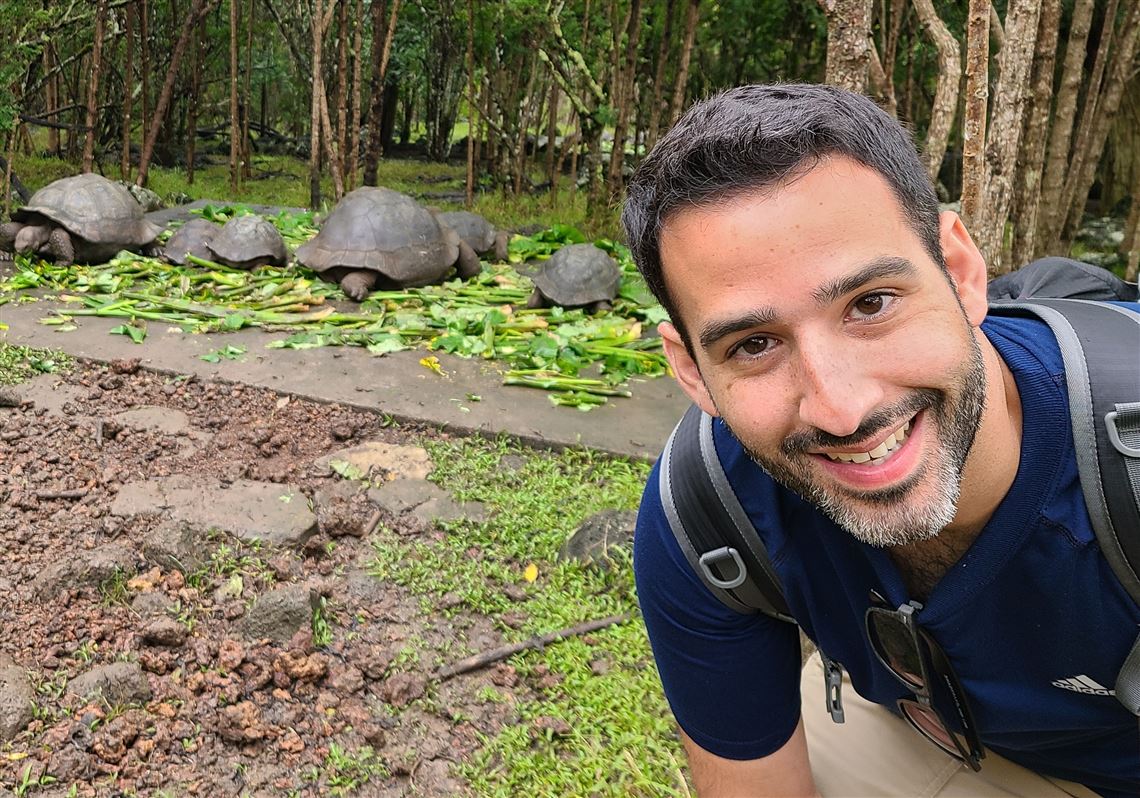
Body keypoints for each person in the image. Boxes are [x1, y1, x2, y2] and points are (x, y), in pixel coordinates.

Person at [621, 83, 1140, 797]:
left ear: (959, 273)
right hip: (923, 727)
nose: (841, 408)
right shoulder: (708, 516)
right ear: (693, 372)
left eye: (871, 304)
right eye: (754, 344)